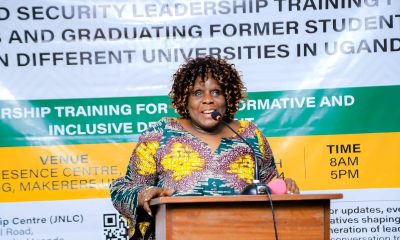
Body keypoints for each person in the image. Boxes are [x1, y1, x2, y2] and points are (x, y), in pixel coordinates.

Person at [110, 55, 299, 240]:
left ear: (228, 97)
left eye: (216, 92)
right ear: (185, 99)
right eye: (197, 93)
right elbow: (122, 189)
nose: (208, 99)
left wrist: (285, 188)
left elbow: (269, 190)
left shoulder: (250, 136)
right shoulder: (160, 134)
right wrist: (142, 194)